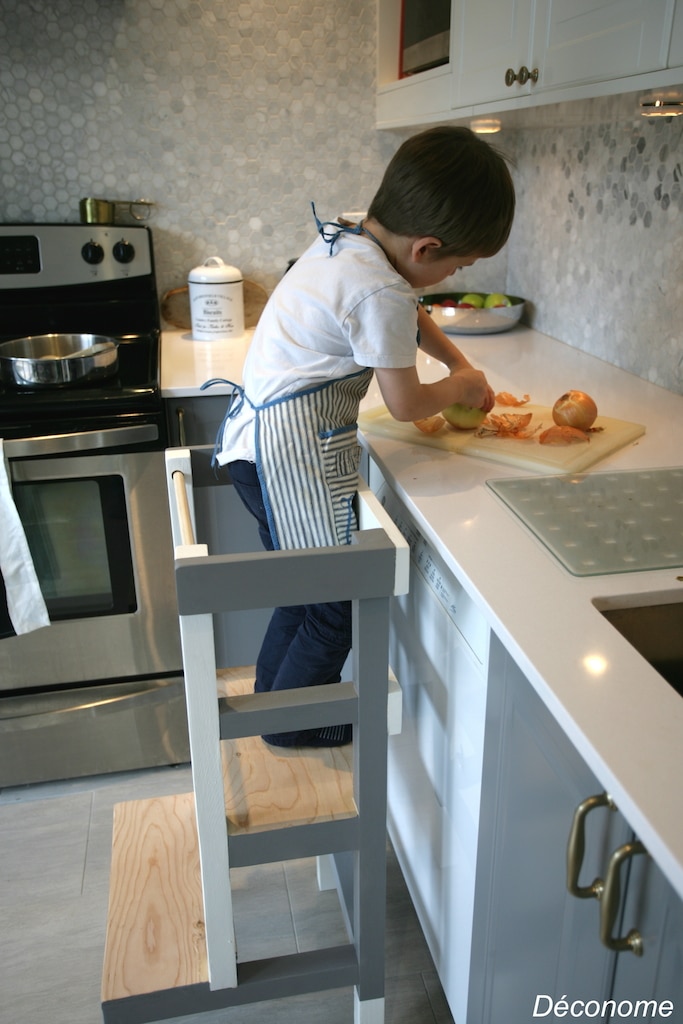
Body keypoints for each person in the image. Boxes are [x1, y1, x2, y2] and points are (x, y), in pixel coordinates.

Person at [212, 125, 515, 748]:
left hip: (258, 448)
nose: (456, 273)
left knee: (304, 593)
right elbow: (405, 404)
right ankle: (291, 728)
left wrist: (458, 362)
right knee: (336, 603)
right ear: (427, 248)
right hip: (288, 457)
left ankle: (275, 707)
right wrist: (456, 390)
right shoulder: (376, 287)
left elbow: (410, 308)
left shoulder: (358, 235)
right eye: (459, 264)